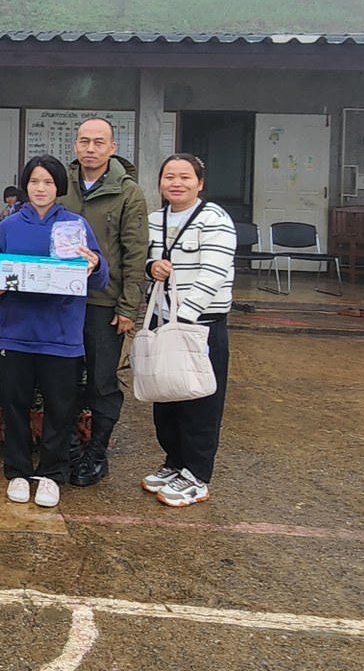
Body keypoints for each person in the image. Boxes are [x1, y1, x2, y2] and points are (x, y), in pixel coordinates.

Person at [0, 155, 107, 509]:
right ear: (25, 185)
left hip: (61, 336)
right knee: (15, 406)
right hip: (16, 334)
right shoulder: (8, 226)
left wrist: (95, 264)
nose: (40, 188)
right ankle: (18, 471)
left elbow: (99, 278)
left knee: (60, 409)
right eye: (34, 181)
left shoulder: (75, 226)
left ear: (59, 187)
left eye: (48, 182)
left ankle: (52, 474)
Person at [142, 153, 237, 508]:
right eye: (169, 176)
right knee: (167, 396)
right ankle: (174, 463)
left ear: (200, 183)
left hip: (201, 326)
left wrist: (185, 316)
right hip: (163, 320)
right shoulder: (154, 220)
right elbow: (143, 259)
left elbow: (214, 272)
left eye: (185, 177)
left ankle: (197, 475)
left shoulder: (215, 219)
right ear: (160, 183)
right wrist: (151, 267)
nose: (176, 183)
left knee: (200, 401)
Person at [57, 117, 148, 487]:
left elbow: (135, 253)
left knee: (101, 382)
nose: (90, 148)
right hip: (61, 300)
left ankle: (97, 452)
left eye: (99, 142)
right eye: (84, 141)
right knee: (62, 379)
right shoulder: (61, 184)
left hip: (103, 303)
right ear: (75, 145)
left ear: (112, 148)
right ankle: (68, 449)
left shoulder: (128, 192)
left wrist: (128, 307)